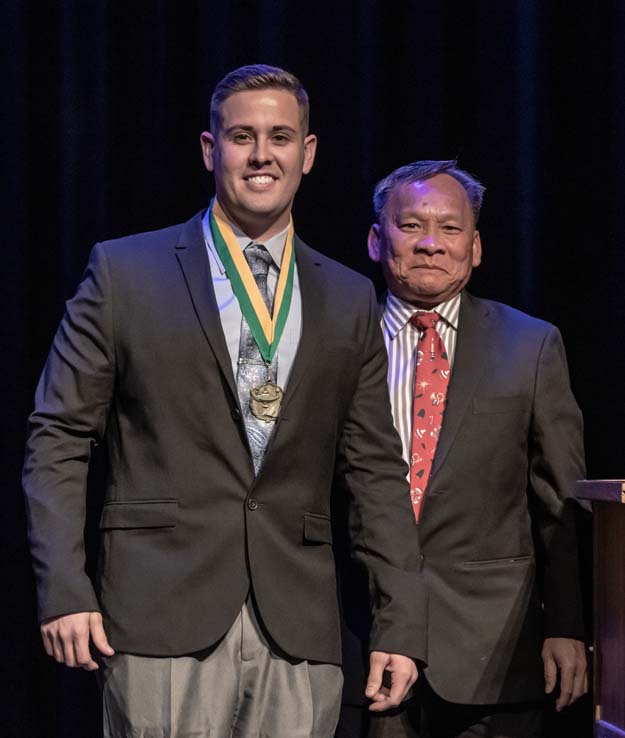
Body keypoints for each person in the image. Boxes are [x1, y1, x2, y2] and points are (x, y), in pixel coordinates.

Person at [22, 65, 427, 738]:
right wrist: (64, 586)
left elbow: (376, 472)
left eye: (279, 136)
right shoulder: (125, 273)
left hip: (296, 623)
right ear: (212, 150)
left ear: (308, 151)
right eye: (242, 136)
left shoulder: (348, 296)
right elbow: (58, 436)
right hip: (158, 612)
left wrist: (400, 621)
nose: (262, 154)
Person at [336, 160, 587, 738]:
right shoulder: (335, 343)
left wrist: (567, 624)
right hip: (356, 641)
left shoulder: (530, 345)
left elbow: (560, 502)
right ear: (377, 240)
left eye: (450, 230)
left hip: (494, 654)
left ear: (476, 248)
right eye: (411, 226)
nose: (430, 244)